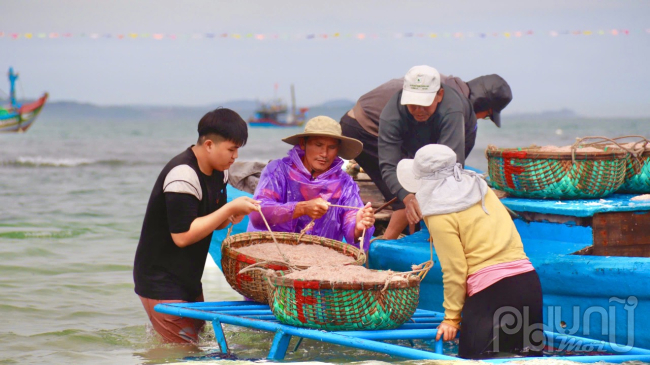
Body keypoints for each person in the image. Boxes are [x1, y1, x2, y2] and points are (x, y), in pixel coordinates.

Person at [396, 144, 543, 359]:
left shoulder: (438, 214)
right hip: (528, 286)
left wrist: (451, 319)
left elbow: (455, 270)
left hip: (491, 295)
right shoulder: (481, 189)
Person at [133, 108, 260, 343]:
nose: (235, 157)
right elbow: (182, 236)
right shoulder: (183, 175)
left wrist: (233, 215)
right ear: (209, 144)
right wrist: (229, 209)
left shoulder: (219, 173)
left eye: (237, 150)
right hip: (159, 279)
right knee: (184, 350)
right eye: (231, 149)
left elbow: (214, 221)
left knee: (198, 341)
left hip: (188, 279)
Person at [340, 68, 512, 239]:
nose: (481, 119)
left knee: (420, 182)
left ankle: (412, 233)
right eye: (487, 116)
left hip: (358, 121)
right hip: (364, 128)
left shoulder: (451, 95)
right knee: (407, 190)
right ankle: (385, 244)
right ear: (481, 104)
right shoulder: (449, 105)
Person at [248, 116, 375, 251]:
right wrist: (302, 208)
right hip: (271, 251)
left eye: (331, 147)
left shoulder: (345, 183)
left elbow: (351, 220)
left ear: (338, 149)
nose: (324, 154)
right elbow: (257, 214)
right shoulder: (278, 170)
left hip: (320, 259)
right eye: (318, 145)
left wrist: (358, 227)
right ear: (303, 143)